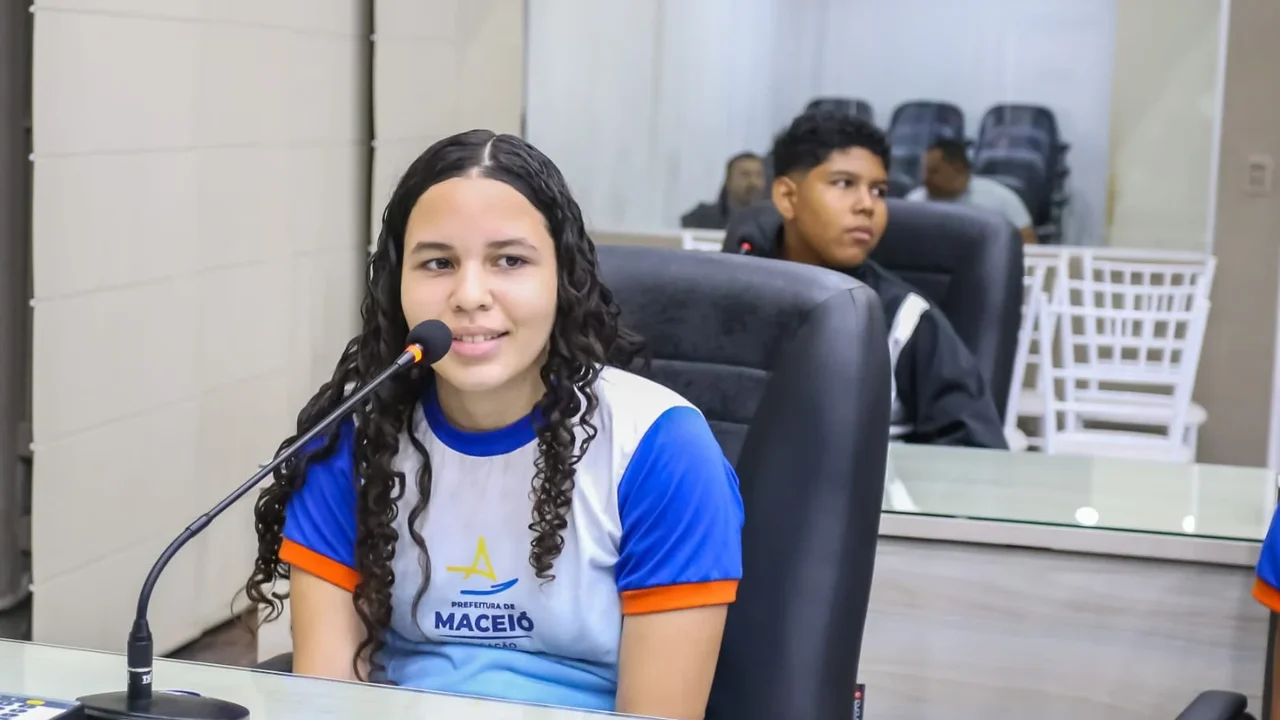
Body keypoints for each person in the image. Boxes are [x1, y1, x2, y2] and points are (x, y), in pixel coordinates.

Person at [245, 130, 744, 718]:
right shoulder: (353, 444)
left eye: (510, 260)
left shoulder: (660, 449)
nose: (469, 295)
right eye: (438, 263)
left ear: (563, 278)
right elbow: (325, 704)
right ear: (396, 284)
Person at [724, 111, 1007, 449]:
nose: (867, 205)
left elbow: (978, 452)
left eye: (878, 190)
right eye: (844, 183)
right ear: (787, 197)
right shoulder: (731, 296)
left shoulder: (906, 319)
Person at [906, 138, 1039, 245]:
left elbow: (1028, 243)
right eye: (924, 171)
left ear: (958, 169)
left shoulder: (1002, 199)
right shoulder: (913, 203)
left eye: (934, 171)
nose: (925, 179)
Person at [681, 151, 766, 229]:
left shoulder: (770, 223)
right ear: (728, 180)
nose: (753, 182)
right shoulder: (701, 218)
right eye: (745, 175)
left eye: (759, 175)